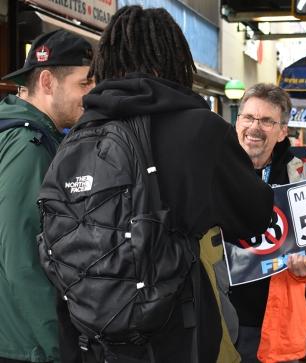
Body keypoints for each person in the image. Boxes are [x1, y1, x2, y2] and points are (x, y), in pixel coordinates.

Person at [54, 6, 273, 363]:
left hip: (91, 337)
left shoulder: (79, 134)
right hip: (177, 335)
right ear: (172, 60)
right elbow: (254, 217)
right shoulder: (201, 130)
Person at [0, 30, 94, 363]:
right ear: (47, 81)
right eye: (83, 84)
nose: (92, 94)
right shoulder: (29, 149)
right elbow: (21, 258)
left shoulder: (18, 133)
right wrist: (57, 346)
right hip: (26, 345)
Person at [230, 83, 306, 363]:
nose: (254, 128)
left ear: (283, 130)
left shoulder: (303, 175)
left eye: (267, 121)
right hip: (221, 318)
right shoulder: (214, 168)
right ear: (238, 121)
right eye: (248, 117)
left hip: (277, 323)